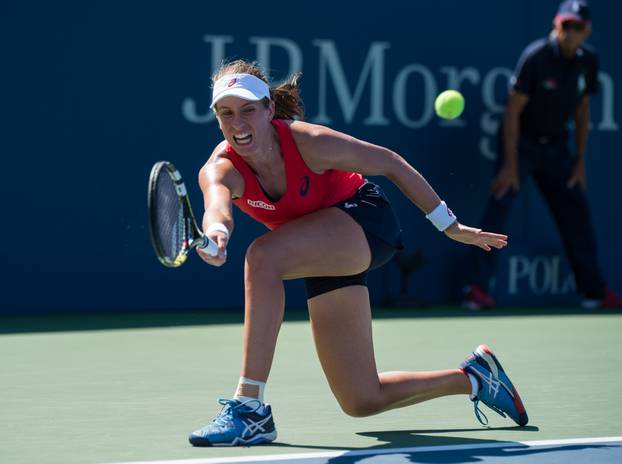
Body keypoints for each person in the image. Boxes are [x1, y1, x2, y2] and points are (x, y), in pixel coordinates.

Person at [187, 59, 528, 447]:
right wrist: (216, 233)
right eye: (226, 113)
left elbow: (389, 162)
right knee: (361, 399)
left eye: (248, 109)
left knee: (263, 257)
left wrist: (449, 225)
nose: (238, 123)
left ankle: (248, 408)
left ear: (268, 110)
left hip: (365, 220)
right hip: (317, 247)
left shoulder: (310, 142)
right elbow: (217, 207)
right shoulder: (219, 168)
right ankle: (475, 377)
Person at [463, 0, 622, 311]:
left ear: (587, 31)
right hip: (521, 144)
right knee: (499, 208)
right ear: (556, 25)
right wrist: (509, 165)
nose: (570, 33)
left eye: (577, 27)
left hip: (557, 147)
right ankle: (477, 289)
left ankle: (594, 292)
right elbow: (512, 112)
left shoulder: (588, 61)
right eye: (566, 26)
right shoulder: (536, 56)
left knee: (576, 215)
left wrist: (579, 162)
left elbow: (582, 111)